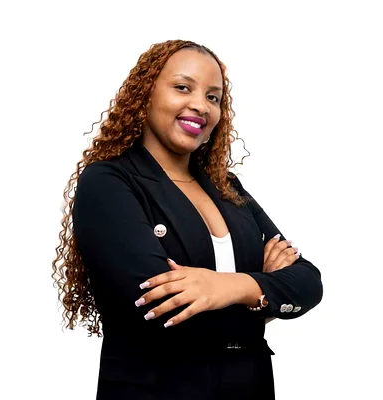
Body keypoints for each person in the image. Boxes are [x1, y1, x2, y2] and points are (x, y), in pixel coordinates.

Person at [52, 39, 323, 399]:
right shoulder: (109, 182)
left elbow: (308, 282)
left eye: (213, 97)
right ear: (146, 94)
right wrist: (264, 297)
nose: (201, 105)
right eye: (183, 87)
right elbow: (160, 308)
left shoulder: (227, 188)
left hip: (249, 388)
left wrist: (224, 287)